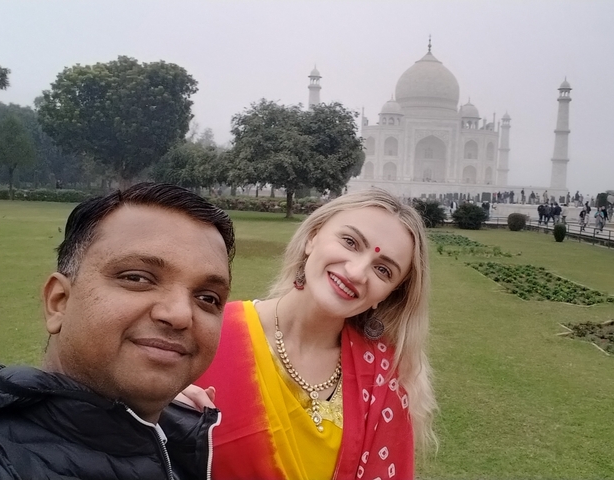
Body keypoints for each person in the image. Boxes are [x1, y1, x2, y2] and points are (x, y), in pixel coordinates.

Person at [0, 183, 235, 479]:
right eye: (138, 278)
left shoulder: (190, 440)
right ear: (58, 302)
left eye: (207, 298)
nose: (180, 314)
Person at [183, 188, 435, 480]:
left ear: (389, 294)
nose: (356, 272)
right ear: (312, 237)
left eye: (383, 270)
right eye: (350, 242)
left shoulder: (385, 376)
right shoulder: (211, 333)